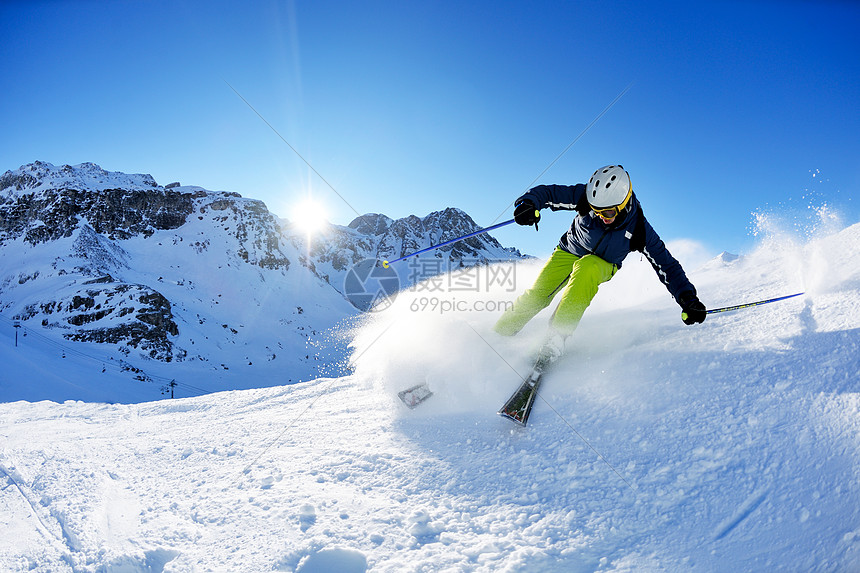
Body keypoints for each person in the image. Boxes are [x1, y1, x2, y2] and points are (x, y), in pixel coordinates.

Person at [493, 165, 706, 363]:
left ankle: (556, 338)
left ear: (623, 205)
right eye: (596, 210)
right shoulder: (586, 198)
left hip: (603, 263)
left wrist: (688, 298)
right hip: (570, 250)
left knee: (587, 268)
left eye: (609, 213)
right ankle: (501, 332)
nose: (601, 216)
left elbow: (667, 265)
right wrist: (528, 203)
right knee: (539, 293)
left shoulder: (640, 229)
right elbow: (549, 193)